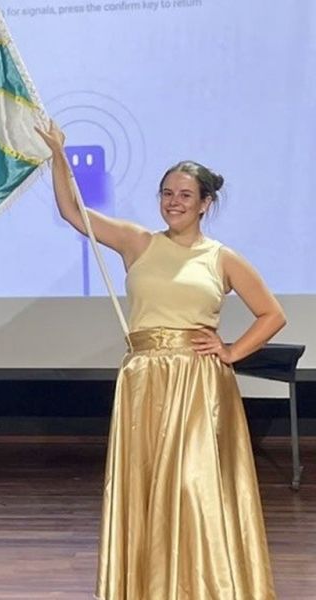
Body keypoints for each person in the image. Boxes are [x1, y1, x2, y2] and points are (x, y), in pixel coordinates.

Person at [36, 122, 284, 600]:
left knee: (195, 486)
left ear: (205, 202)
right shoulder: (138, 242)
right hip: (144, 379)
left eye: (185, 195)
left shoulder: (221, 257)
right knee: (149, 487)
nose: (174, 201)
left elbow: (272, 314)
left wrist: (231, 351)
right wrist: (58, 155)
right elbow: (73, 212)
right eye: (167, 192)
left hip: (198, 385)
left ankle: (207, 586)